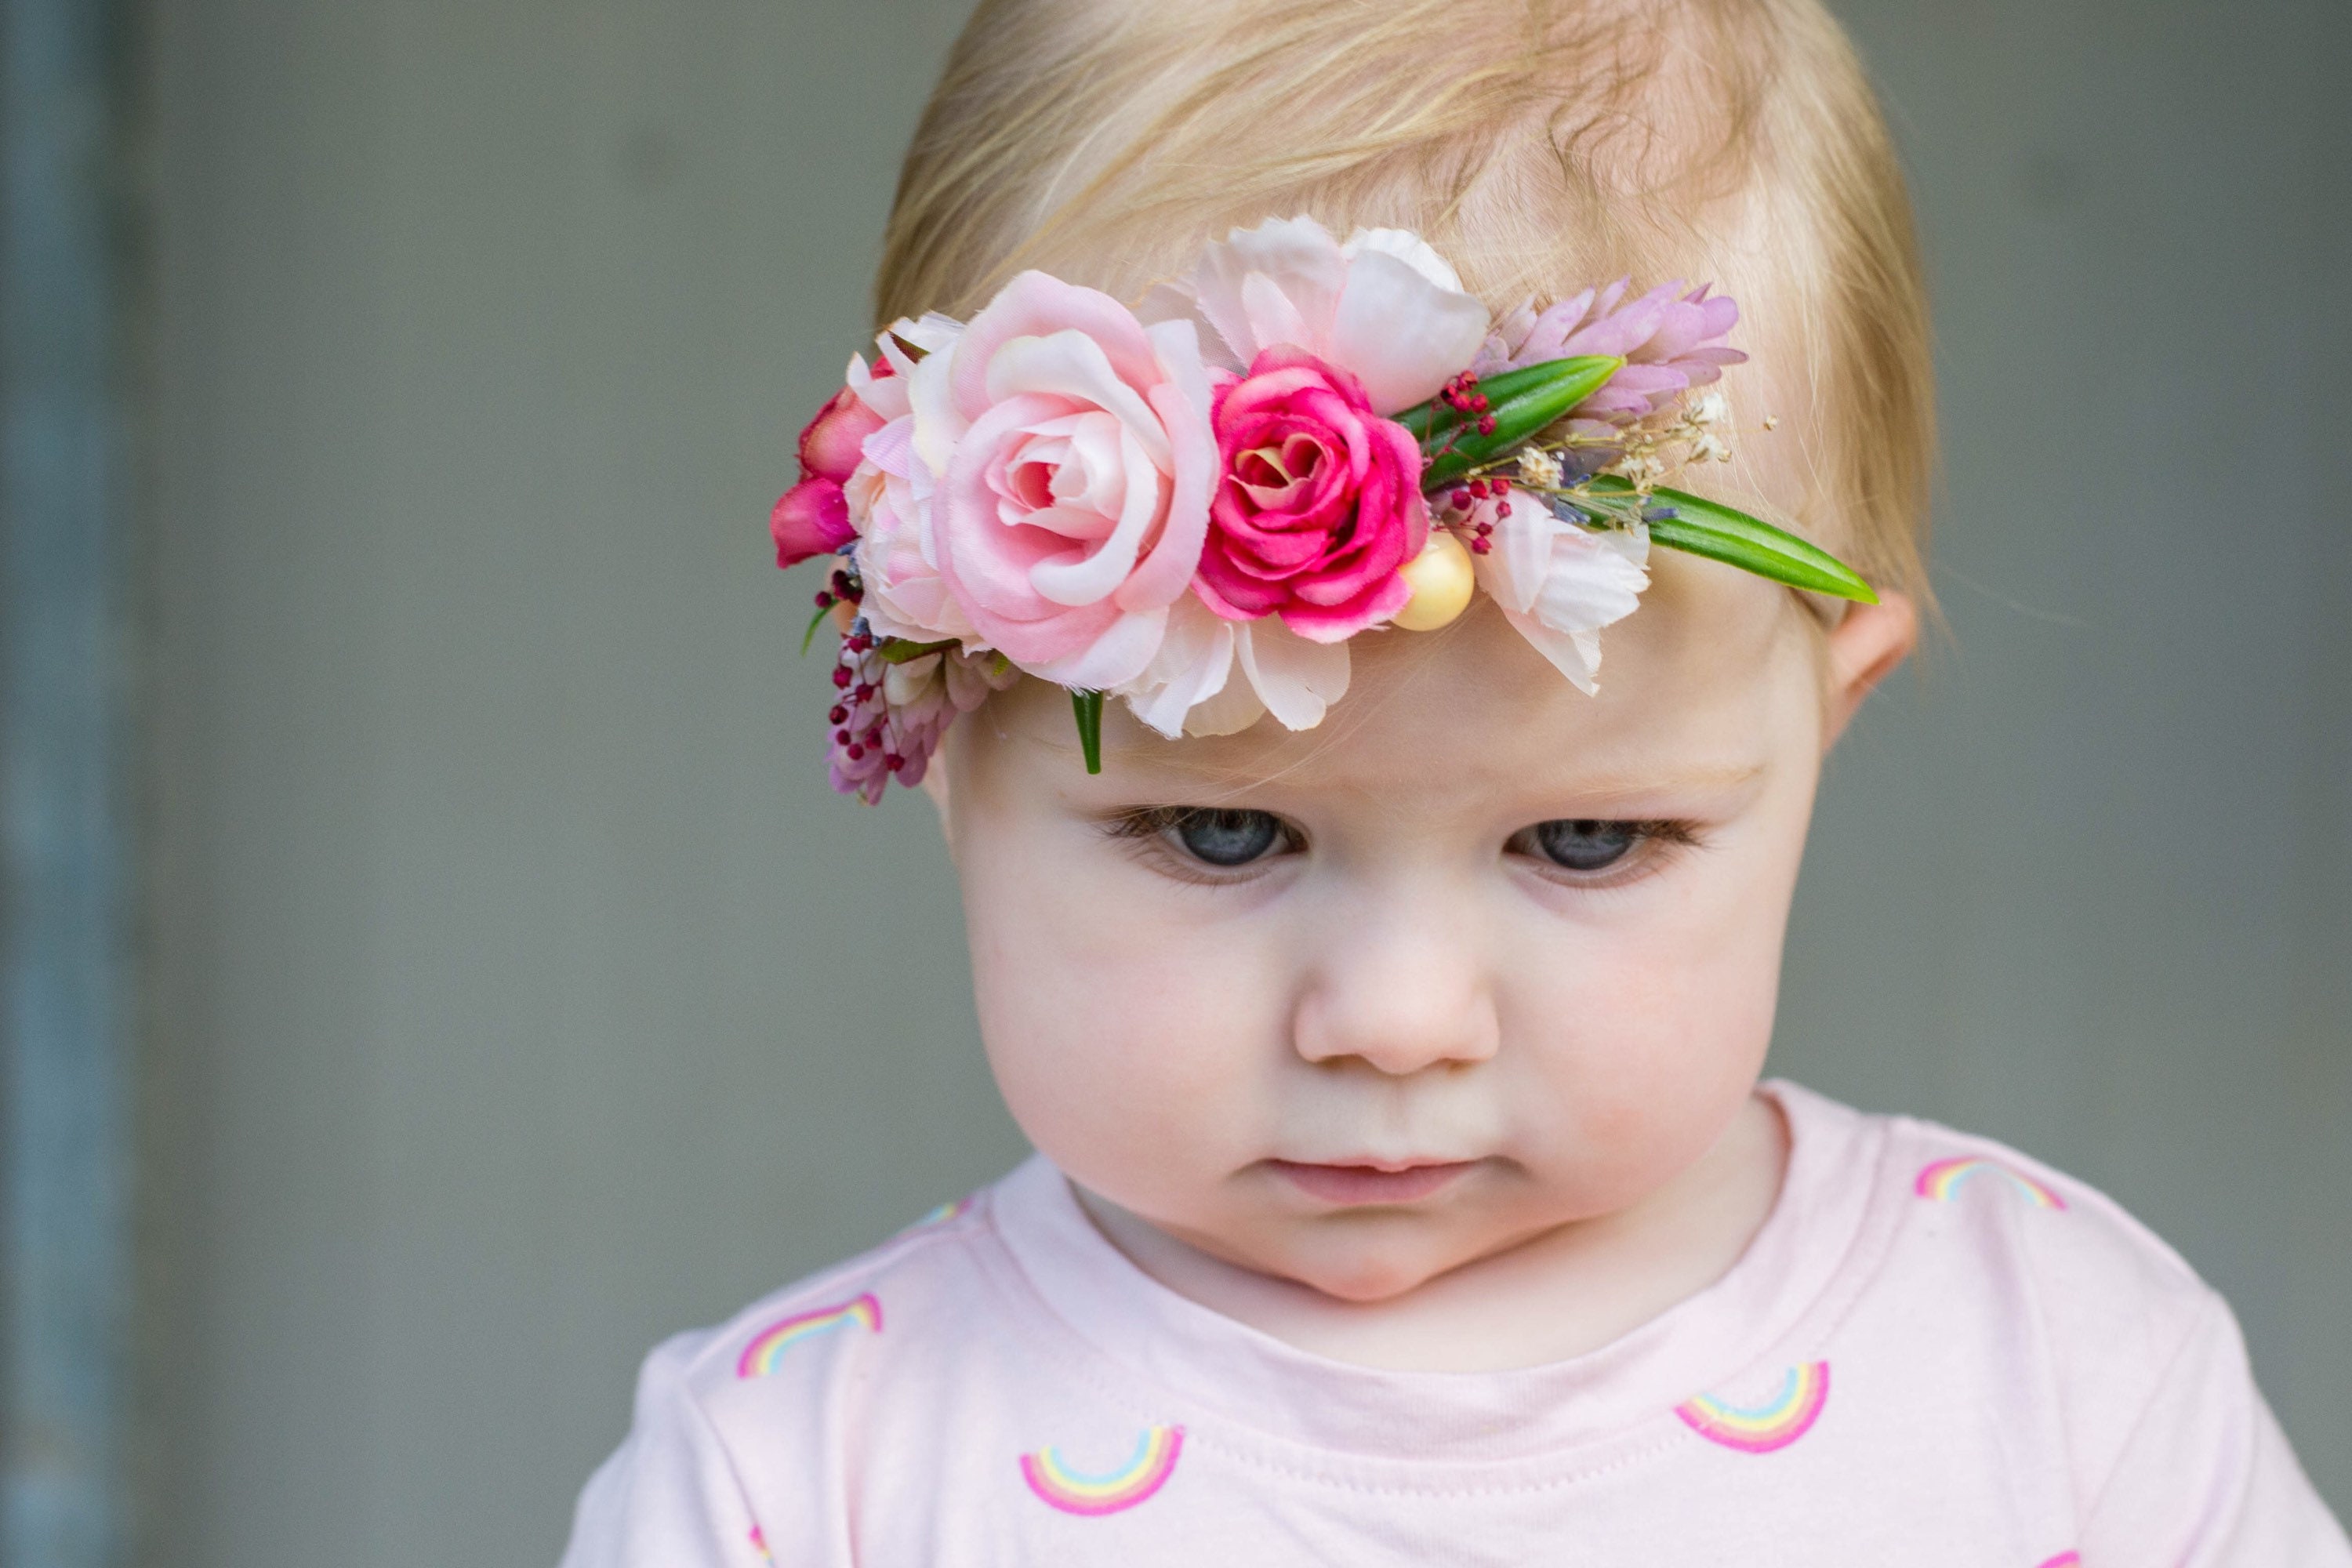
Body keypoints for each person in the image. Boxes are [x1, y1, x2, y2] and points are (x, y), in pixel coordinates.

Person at [561, 0, 2352, 1560]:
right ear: (943, 730)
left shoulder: (2064, 1372)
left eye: (1584, 837)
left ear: (1828, 718)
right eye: (1222, 830)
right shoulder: (804, 1477)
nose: (1399, 1022)